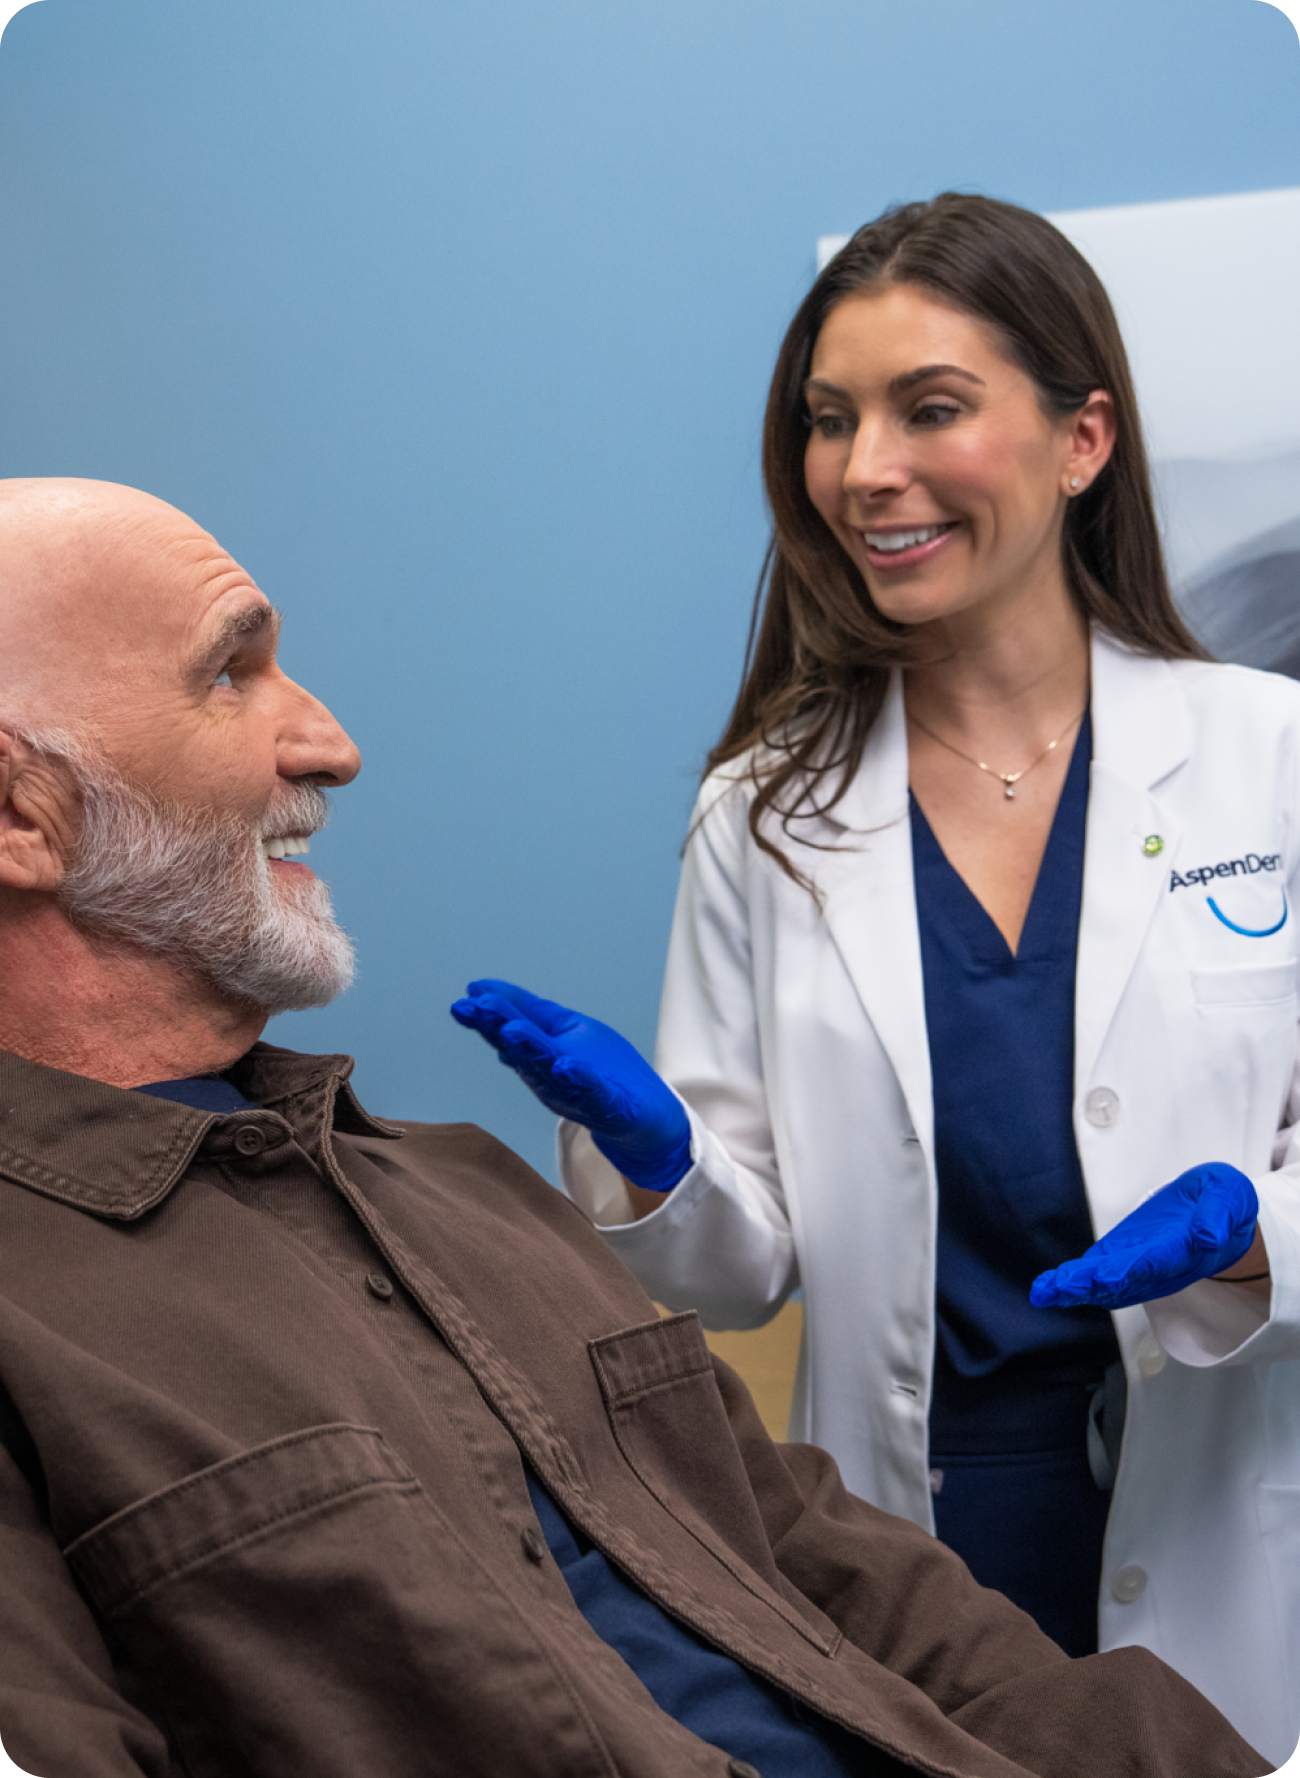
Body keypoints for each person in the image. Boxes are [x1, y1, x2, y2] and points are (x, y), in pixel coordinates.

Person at [0, 477, 1269, 1778]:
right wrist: (676, 1171)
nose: (333, 744)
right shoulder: (43, 1326)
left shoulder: (467, 1192)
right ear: (17, 814)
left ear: (1083, 442)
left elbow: (847, 1581)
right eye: (229, 674)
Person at [452, 193, 1300, 1766]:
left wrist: (1256, 1240)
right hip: (922, 1549)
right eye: (830, 419)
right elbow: (740, 1268)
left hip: (1231, 1519)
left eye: (930, 408)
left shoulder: (1273, 757)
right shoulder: (766, 810)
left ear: (1083, 439)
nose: (863, 469)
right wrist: (658, 1162)